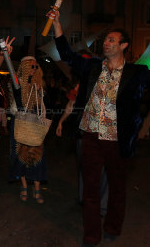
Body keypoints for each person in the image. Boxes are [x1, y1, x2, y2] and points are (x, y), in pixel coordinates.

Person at [50, 9, 150, 246]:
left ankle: (112, 226)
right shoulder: (92, 67)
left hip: (117, 140)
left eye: (112, 40)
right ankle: (91, 236)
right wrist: (57, 25)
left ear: (124, 45)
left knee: (117, 188)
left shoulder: (137, 73)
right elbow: (67, 54)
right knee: (90, 191)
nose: (106, 43)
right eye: (106, 40)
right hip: (90, 137)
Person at [56, 83, 108, 216]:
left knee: (103, 169)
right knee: (84, 167)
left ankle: (101, 205)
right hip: (84, 133)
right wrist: (61, 121)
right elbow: (70, 105)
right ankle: (85, 199)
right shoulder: (81, 85)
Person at [9, 56, 48, 203]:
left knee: (38, 155)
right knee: (21, 155)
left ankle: (37, 187)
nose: (34, 69)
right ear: (24, 67)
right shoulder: (17, 83)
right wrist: (5, 53)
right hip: (20, 123)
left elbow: (45, 105)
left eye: (36, 67)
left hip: (35, 124)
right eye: (31, 66)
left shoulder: (39, 84)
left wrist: (39, 91)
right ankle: (24, 186)